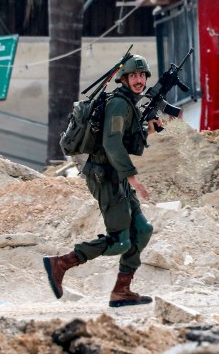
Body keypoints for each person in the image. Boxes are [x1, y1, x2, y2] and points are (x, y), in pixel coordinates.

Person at [43, 55, 161, 307]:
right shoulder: (119, 104)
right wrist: (132, 177)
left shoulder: (129, 103)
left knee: (142, 230)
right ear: (124, 79)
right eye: (133, 76)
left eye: (142, 76)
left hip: (115, 175)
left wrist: (149, 130)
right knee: (119, 241)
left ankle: (122, 290)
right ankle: (61, 263)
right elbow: (111, 143)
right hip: (105, 176)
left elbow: (127, 143)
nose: (139, 80)